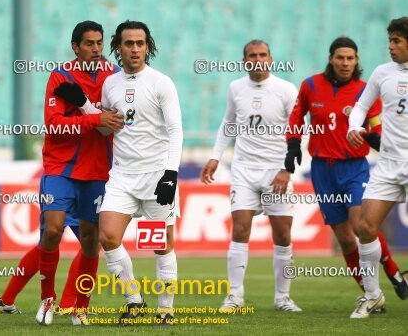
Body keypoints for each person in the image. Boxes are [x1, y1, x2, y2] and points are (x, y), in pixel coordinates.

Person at [285, 36, 407, 305]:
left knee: (361, 224)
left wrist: (369, 137)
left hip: (354, 168)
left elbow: (376, 128)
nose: (345, 62)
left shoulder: (366, 89)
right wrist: (293, 145)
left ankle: (393, 273)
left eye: (350, 58)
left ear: (357, 61)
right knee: (345, 239)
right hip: (322, 171)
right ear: (330, 59)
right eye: (340, 57)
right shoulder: (310, 85)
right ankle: (371, 294)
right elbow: (296, 116)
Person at [201, 40, 302, 312]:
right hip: (244, 170)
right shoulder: (235, 88)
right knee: (240, 228)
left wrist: (287, 169)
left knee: (282, 235)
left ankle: (283, 298)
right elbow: (228, 123)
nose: (257, 59)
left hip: (276, 171)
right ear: (244, 60)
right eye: (251, 56)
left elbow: (297, 130)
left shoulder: (286, 90)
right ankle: (235, 296)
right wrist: (215, 156)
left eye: (262, 55)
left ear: (270, 58)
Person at [35, 20, 124, 326]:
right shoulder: (60, 76)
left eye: (99, 43)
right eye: (89, 43)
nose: (96, 49)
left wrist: (94, 115)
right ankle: (47, 297)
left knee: (90, 240)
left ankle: (80, 308)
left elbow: (120, 121)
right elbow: (54, 125)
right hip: (60, 167)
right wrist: (95, 119)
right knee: (53, 229)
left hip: (99, 169)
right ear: (76, 46)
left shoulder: (114, 76)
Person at [98, 20, 183, 325]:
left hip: (157, 175)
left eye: (140, 43)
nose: (135, 49)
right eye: (128, 43)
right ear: (118, 47)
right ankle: (134, 300)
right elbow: (105, 121)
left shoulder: (161, 82)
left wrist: (170, 174)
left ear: (148, 46)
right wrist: (87, 111)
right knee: (107, 236)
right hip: (122, 175)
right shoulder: (110, 84)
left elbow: (175, 130)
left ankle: (166, 309)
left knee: (160, 244)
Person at [347, 17, 408, 318]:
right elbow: (360, 105)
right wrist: (353, 126)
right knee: (365, 227)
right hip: (387, 165)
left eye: (397, 41)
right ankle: (373, 295)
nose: (391, 47)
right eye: (390, 41)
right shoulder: (382, 72)